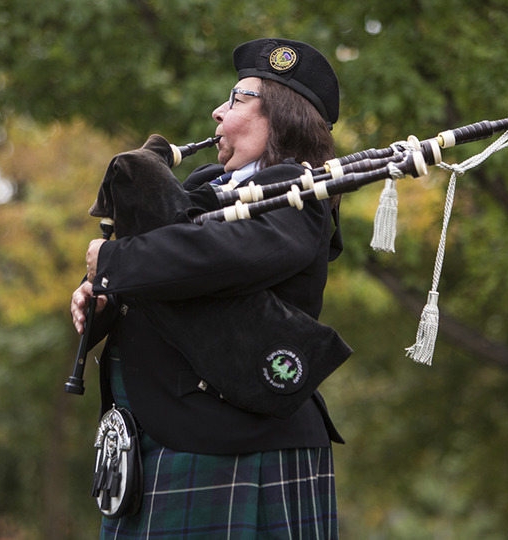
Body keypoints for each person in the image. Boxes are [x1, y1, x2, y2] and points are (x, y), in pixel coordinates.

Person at [71, 38, 348, 539]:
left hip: (238, 444)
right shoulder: (202, 191)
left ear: (281, 117)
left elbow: (211, 257)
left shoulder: (298, 195)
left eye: (238, 99)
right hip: (159, 439)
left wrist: (115, 260)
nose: (217, 111)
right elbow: (171, 270)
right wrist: (106, 298)